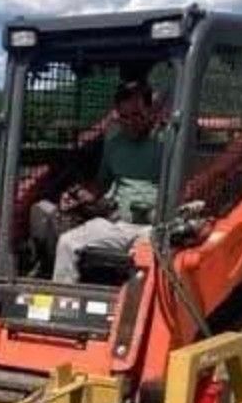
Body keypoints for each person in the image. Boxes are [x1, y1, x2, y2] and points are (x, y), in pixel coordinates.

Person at [29, 79, 163, 283]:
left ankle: (132, 312)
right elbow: (100, 185)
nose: (130, 123)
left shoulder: (165, 143)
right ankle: (65, 306)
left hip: (153, 228)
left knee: (144, 260)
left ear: (151, 110)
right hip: (119, 224)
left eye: (137, 115)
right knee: (67, 242)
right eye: (124, 117)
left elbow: (184, 188)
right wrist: (79, 196)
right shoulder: (114, 145)